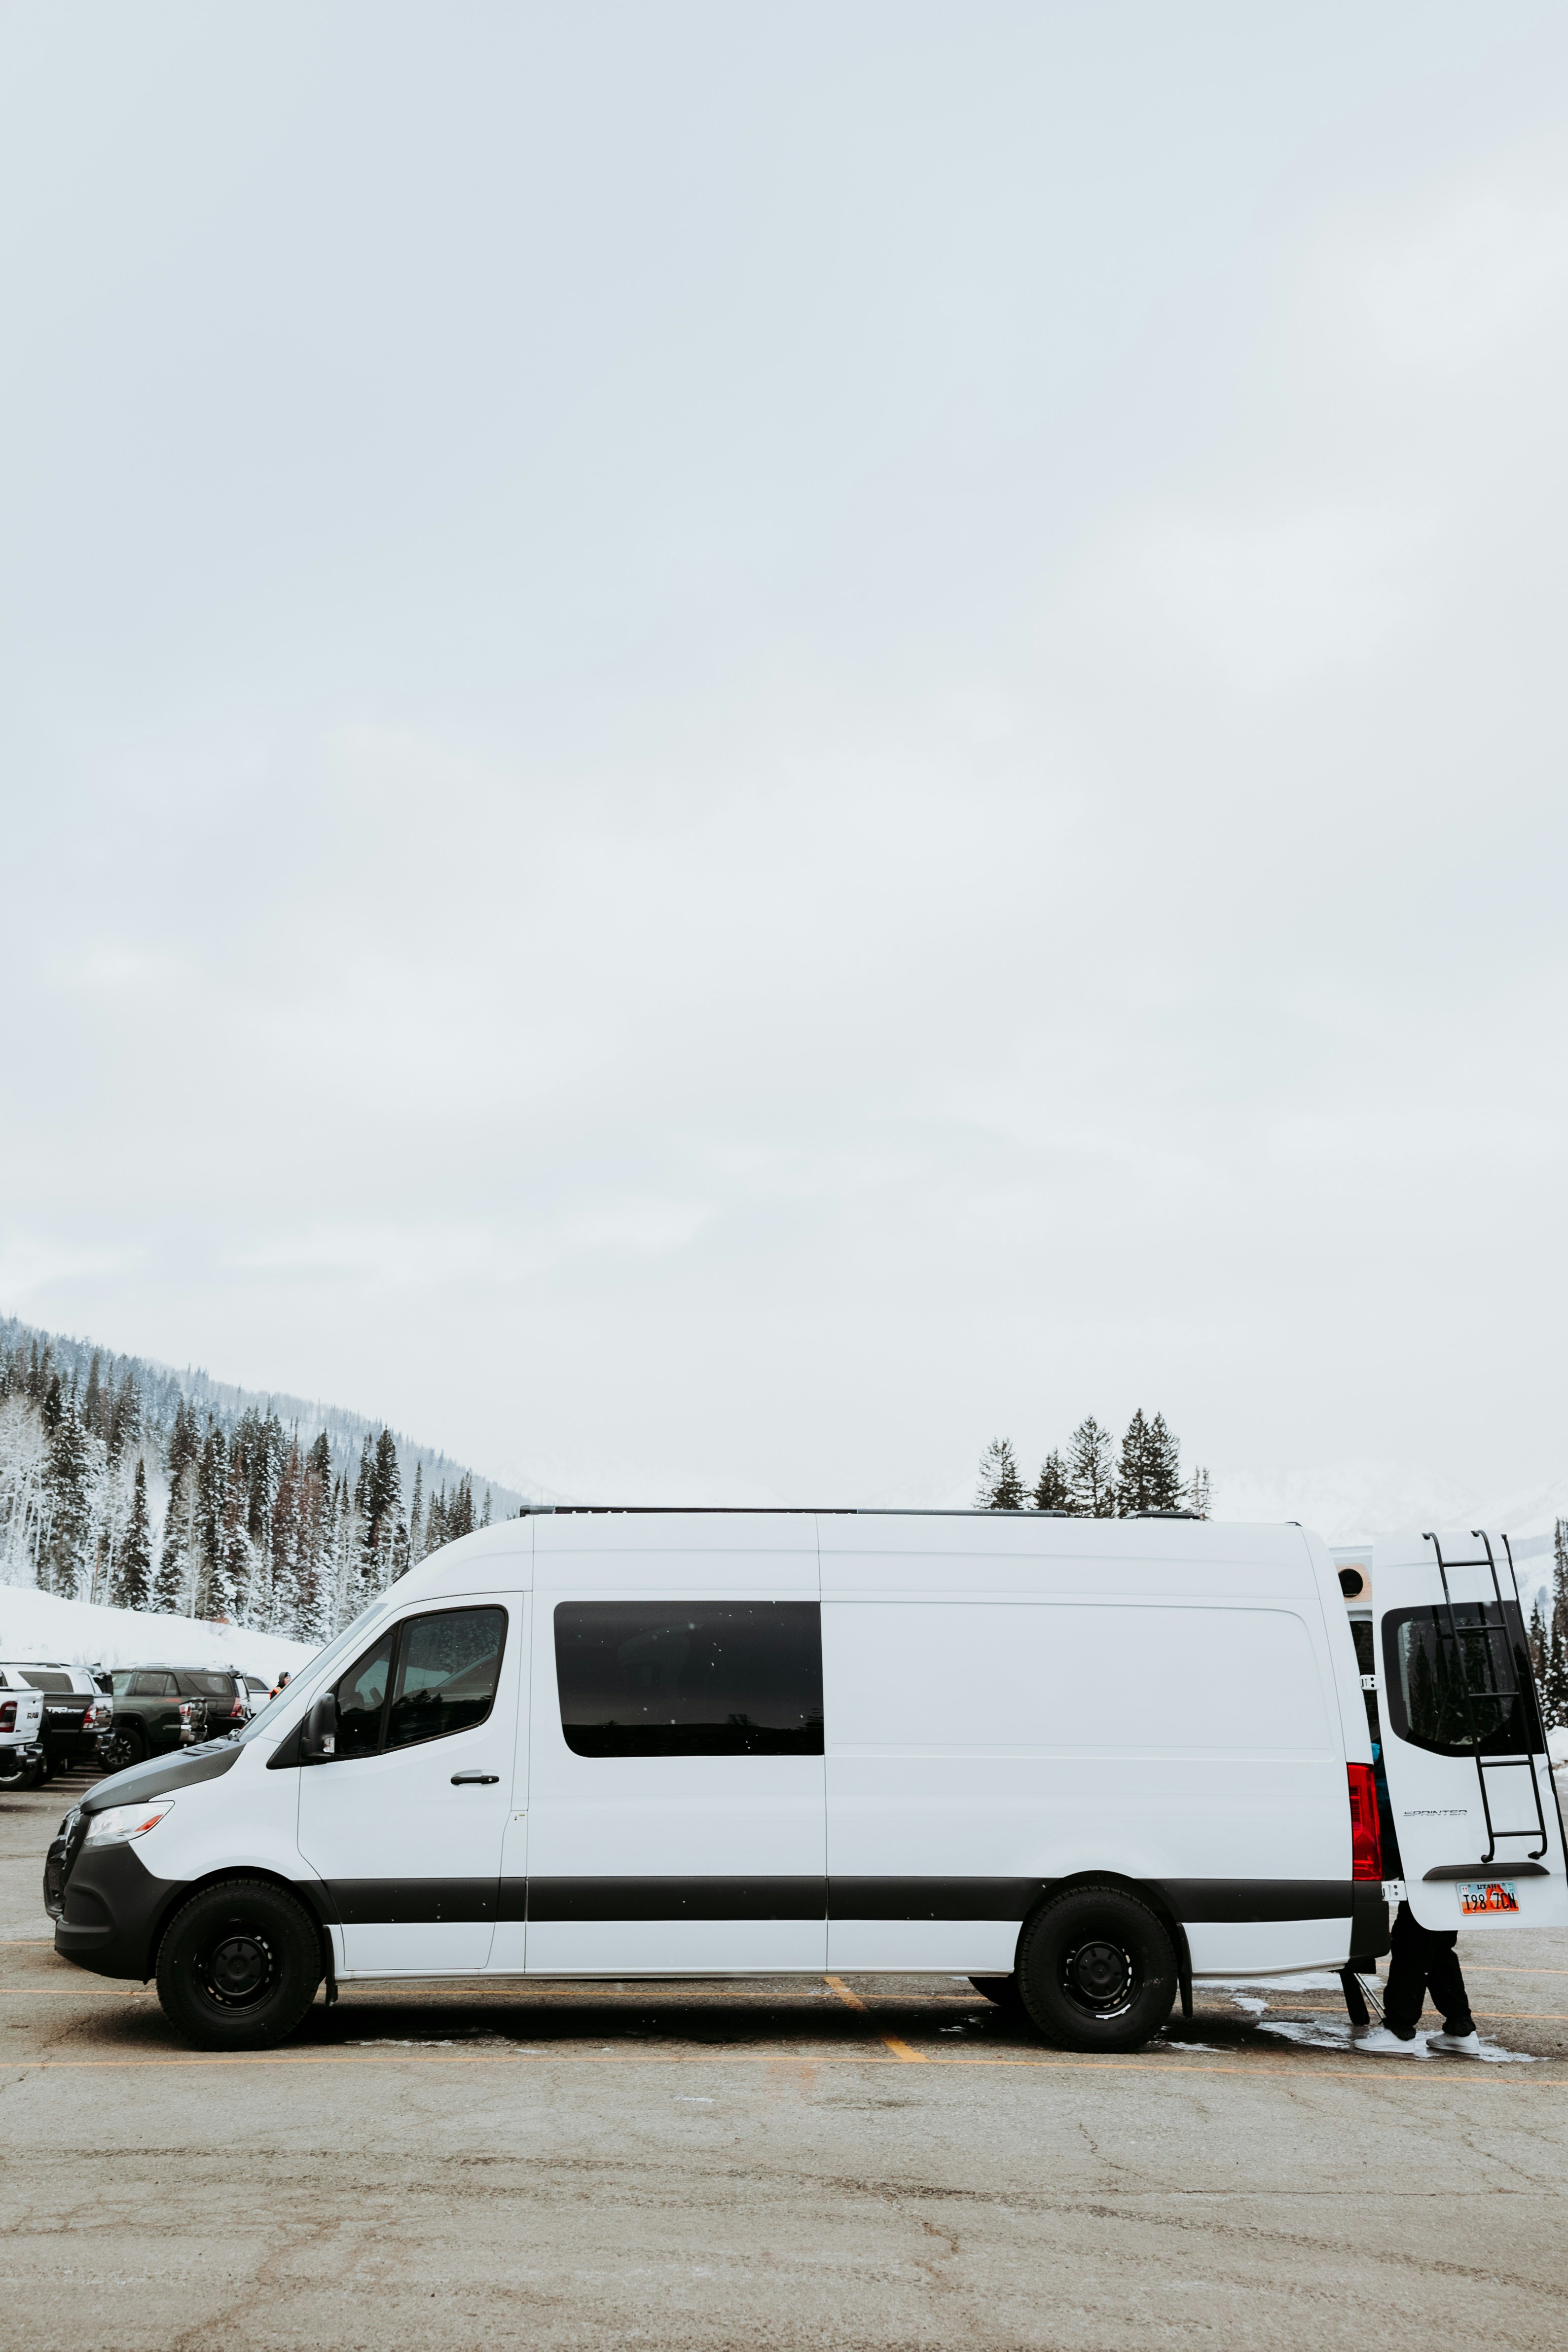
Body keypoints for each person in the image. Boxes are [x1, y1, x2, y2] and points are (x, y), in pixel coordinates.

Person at [1356, 1731, 1480, 2058]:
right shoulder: (1411, 1756)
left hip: (1425, 1857)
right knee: (1436, 1945)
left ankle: (1399, 2030)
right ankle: (1460, 2027)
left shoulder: (1377, 1759)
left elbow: (1381, 1806)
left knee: (1414, 1940)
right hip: (1445, 1852)